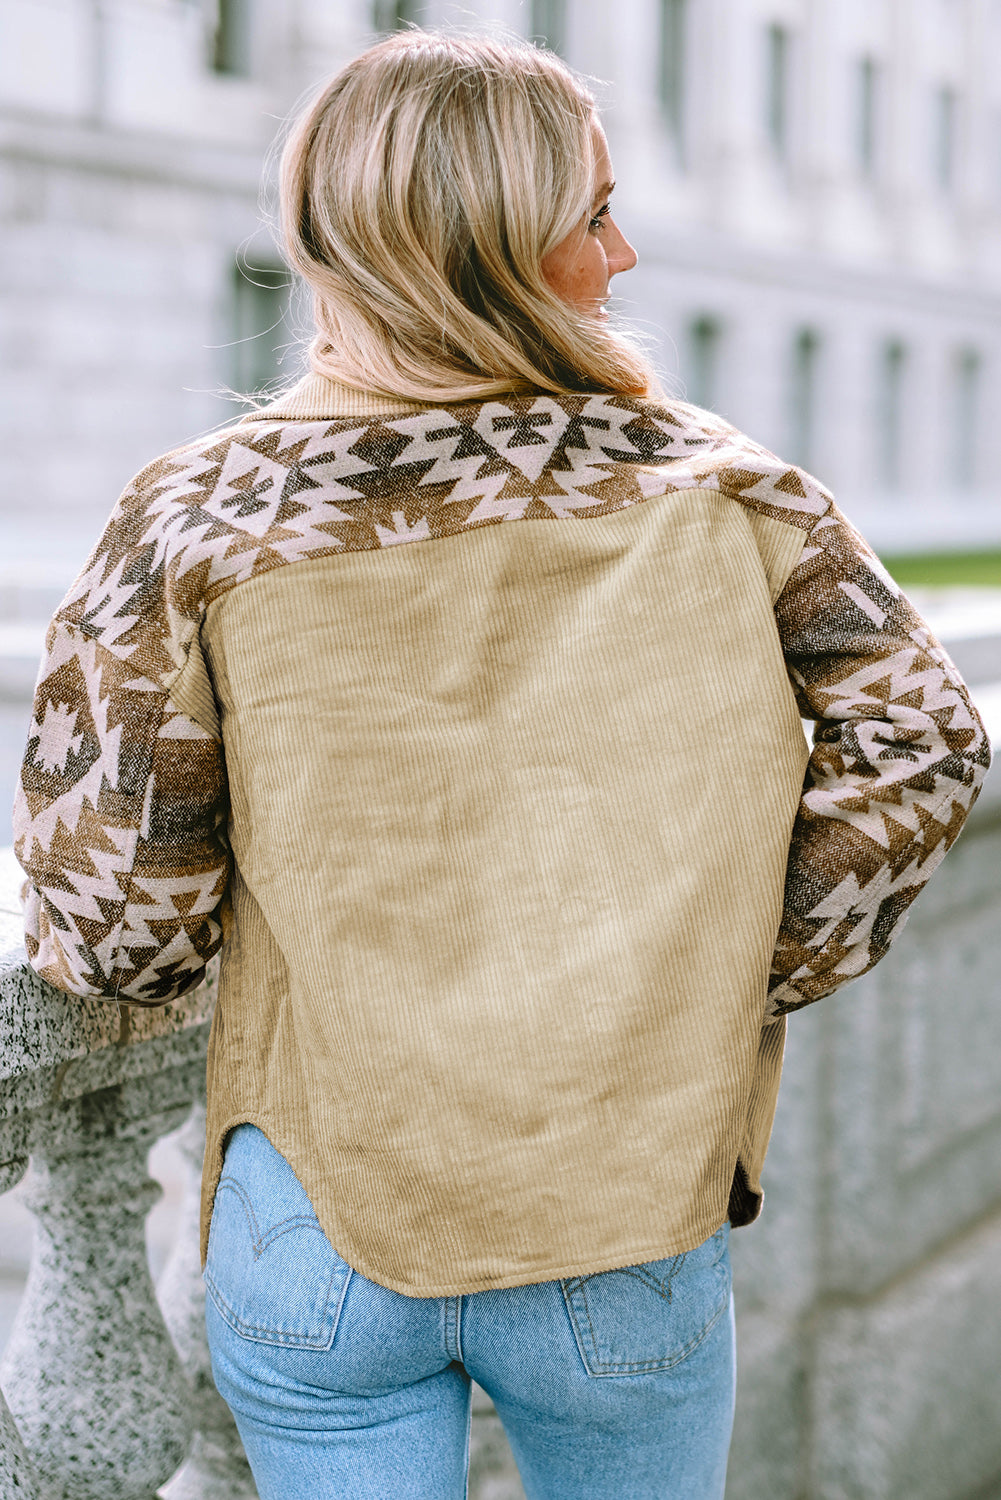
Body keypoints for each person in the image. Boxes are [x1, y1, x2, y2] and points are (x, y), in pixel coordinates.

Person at [13, 29, 990, 1500]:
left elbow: (123, 922)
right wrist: (726, 962)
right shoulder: (720, 488)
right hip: (617, 1211)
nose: (628, 250)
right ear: (481, 252)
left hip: (318, 1220)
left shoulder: (195, 519)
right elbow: (922, 742)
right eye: (589, 216)